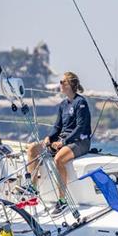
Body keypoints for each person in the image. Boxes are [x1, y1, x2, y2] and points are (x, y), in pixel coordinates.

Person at [27, 72, 92, 214]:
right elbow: (57, 126)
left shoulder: (81, 103)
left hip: (80, 141)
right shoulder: (63, 104)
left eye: (63, 82)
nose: (60, 84)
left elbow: (80, 127)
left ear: (71, 85)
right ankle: (33, 188)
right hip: (63, 140)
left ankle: (62, 201)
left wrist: (63, 142)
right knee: (32, 149)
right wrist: (49, 138)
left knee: (59, 159)